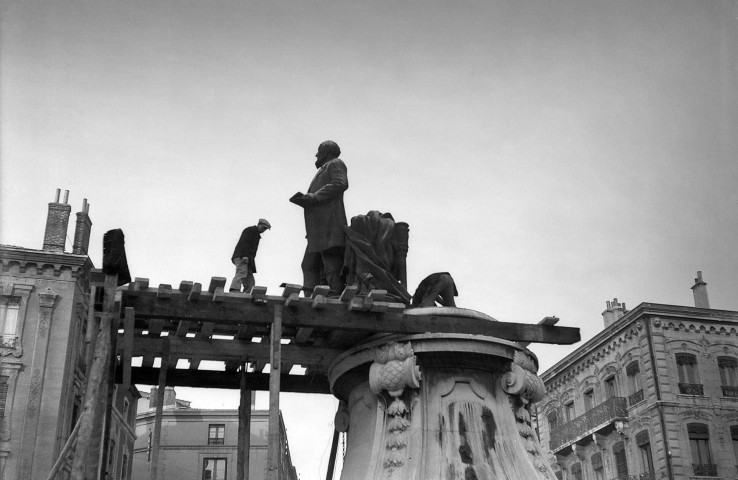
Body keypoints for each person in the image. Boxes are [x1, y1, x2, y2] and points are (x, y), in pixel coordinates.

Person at [290, 140, 348, 295]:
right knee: (308, 264)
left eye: (318, 151)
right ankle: (310, 297)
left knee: (331, 261)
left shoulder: (336, 163)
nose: (316, 155)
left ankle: (335, 295)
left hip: (330, 224)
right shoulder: (324, 168)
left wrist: (314, 197)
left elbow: (340, 183)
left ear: (327, 151)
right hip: (318, 229)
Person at [229, 218, 271, 292]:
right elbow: (244, 242)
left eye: (265, 229)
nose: (263, 230)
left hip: (248, 260)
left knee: (250, 280)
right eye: (263, 228)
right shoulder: (250, 230)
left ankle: (247, 293)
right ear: (259, 224)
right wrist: (245, 256)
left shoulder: (256, 234)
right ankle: (234, 290)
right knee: (241, 272)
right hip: (242, 256)